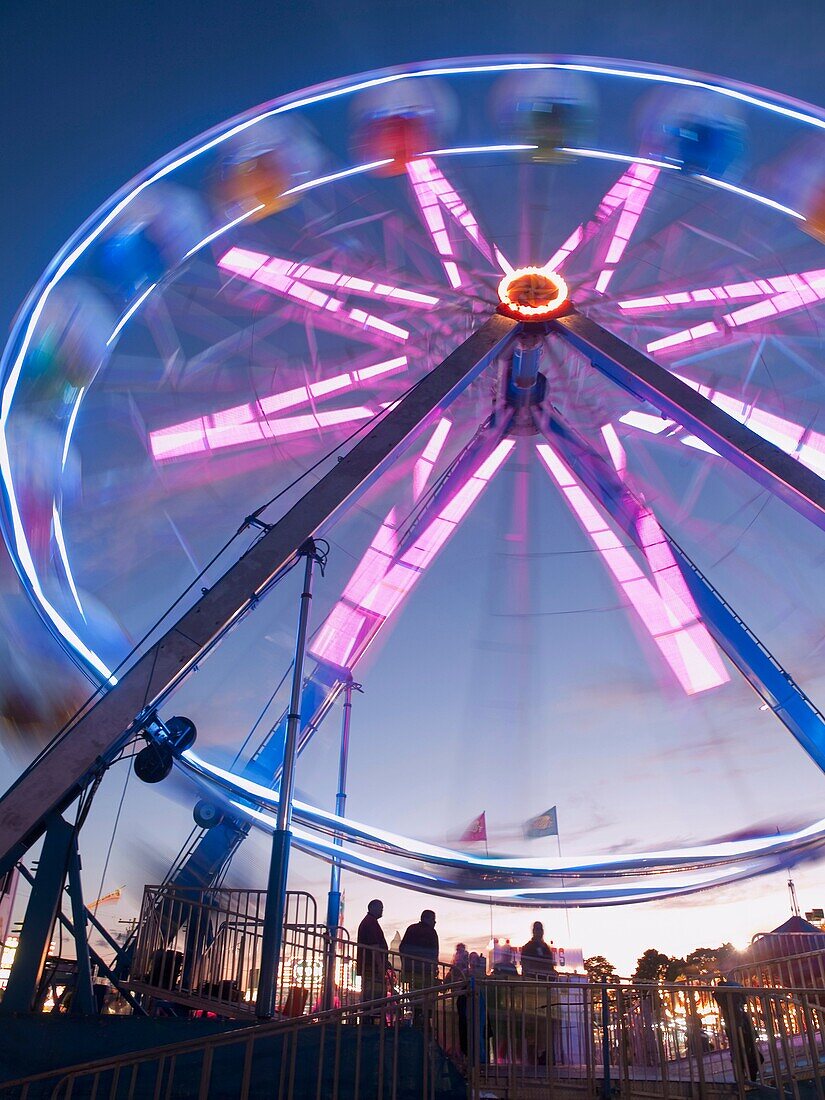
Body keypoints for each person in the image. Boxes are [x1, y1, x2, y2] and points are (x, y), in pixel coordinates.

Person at [400, 910, 439, 1025]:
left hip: (411, 972)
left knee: (415, 998)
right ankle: (423, 1023)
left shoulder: (411, 929)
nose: (435, 922)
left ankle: (417, 1020)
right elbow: (434, 953)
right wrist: (434, 968)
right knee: (425, 1000)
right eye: (433, 919)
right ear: (427, 919)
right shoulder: (431, 932)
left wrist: (406, 965)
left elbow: (403, 948)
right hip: (425, 974)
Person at [356, 899, 388, 1015]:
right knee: (374, 996)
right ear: (373, 908)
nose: (382, 911)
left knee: (371, 995)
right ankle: (370, 1019)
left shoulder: (369, 922)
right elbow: (374, 945)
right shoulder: (370, 923)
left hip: (369, 966)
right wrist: (380, 965)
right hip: (371, 967)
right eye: (381, 908)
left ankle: (370, 1017)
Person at [450, 943, 471, 1059]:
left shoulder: (467, 972)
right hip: (455, 1005)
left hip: (464, 1005)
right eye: (458, 951)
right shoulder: (454, 971)